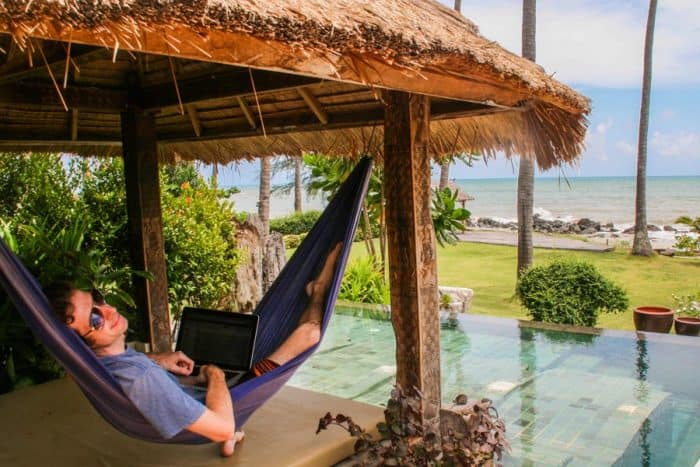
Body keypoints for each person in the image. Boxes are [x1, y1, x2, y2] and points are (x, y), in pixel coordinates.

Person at [44, 243, 342, 457]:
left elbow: (135, 373)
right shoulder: (141, 379)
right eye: (94, 319)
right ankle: (316, 291)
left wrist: (163, 361)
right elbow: (222, 425)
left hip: (194, 391)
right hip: (222, 402)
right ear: (79, 343)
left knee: (243, 372)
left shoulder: (110, 363)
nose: (107, 311)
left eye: (97, 300)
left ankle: (232, 419)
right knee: (309, 334)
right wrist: (214, 375)